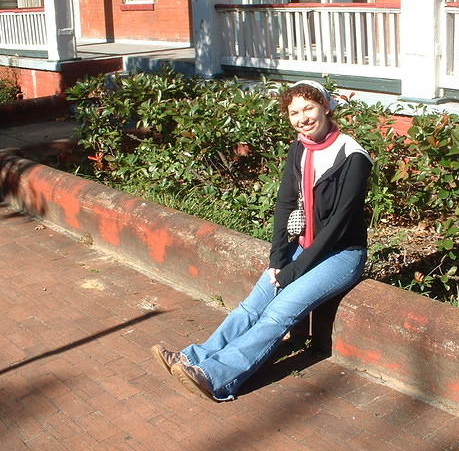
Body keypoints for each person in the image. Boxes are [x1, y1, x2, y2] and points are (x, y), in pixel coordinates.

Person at [151, 80, 373, 402]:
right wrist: (278, 261)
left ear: (325, 107)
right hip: (303, 247)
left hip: (340, 255)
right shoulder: (300, 147)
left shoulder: (352, 156)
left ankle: (217, 378)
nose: (302, 118)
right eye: (294, 112)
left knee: (278, 313)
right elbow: (285, 205)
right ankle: (194, 358)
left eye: (308, 108)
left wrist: (293, 271)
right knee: (251, 305)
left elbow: (338, 225)